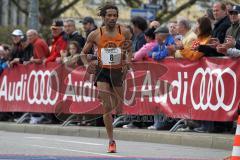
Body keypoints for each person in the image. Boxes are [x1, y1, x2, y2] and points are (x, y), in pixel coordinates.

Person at [80, 3, 132, 153]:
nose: (112, 18)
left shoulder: (125, 32)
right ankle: (111, 141)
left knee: (118, 103)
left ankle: (104, 96)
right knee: (107, 107)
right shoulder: (95, 34)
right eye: (109, 15)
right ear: (103, 17)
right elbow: (83, 53)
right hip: (102, 71)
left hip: (117, 72)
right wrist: (86, 65)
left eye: (115, 15)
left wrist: (128, 60)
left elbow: (129, 49)